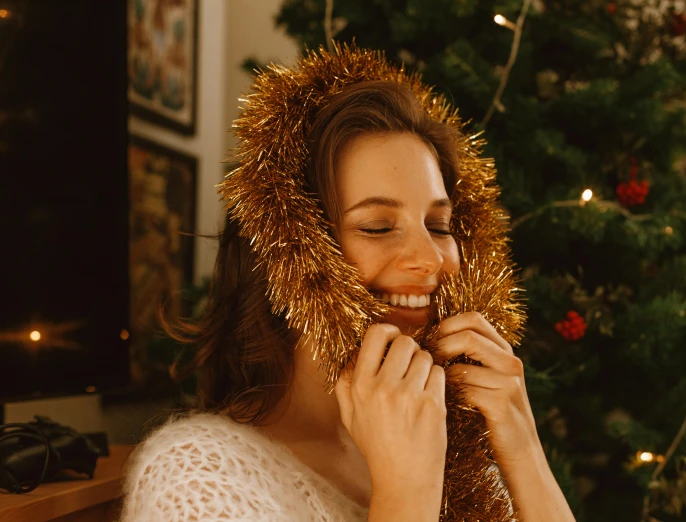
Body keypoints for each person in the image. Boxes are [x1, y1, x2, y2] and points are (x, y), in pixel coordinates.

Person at [120, 49, 575, 522]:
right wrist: (407, 489)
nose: (429, 260)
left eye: (439, 225)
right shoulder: (196, 477)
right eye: (377, 226)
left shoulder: (458, 449)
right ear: (291, 252)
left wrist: (523, 449)